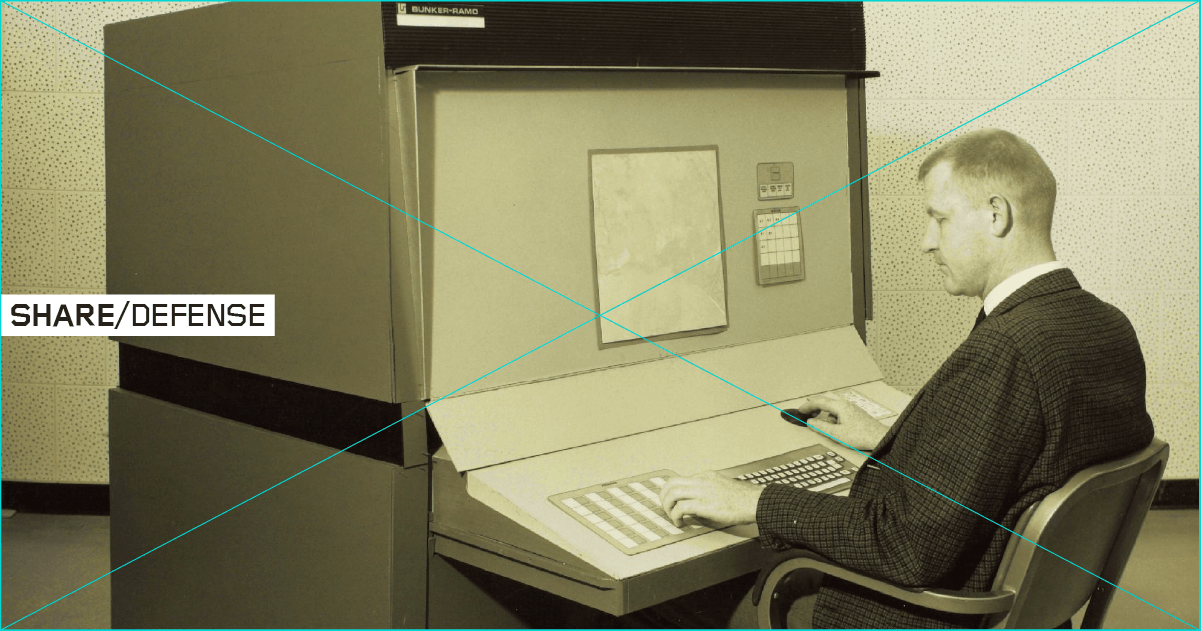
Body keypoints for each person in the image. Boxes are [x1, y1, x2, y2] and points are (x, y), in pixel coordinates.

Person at [659, 129, 1156, 628]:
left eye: (940, 218)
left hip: (930, 616)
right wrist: (892, 439)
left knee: (670, 604)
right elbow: (1022, 460)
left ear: (996, 215)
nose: (926, 242)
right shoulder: (1105, 326)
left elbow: (907, 547)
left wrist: (755, 500)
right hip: (1033, 614)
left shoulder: (1005, 352)